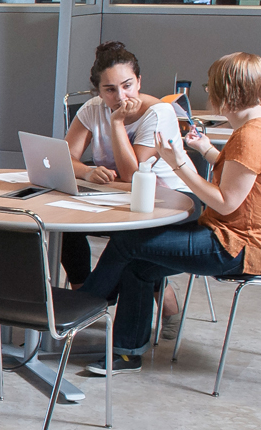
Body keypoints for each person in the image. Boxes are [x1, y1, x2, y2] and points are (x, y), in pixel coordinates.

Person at [80, 54, 261, 374]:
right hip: (238, 238)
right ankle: (126, 351)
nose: (209, 93)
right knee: (138, 266)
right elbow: (239, 172)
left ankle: (80, 308)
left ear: (225, 94)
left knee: (128, 243)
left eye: (212, 87)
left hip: (236, 247)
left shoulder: (253, 136)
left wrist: (179, 161)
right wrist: (205, 149)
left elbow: (226, 203)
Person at [59, 43, 186, 293]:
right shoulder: (93, 108)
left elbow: (133, 175)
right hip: (117, 198)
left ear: (139, 81)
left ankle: (92, 299)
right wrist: (86, 171)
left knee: (128, 241)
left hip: (164, 202)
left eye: (127, 86)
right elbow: (64, 158)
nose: (120, 97)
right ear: (98, 91)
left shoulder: (159, 112)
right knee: (65, 228)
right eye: (109, 90)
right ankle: (81, 296)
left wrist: (116, 123)